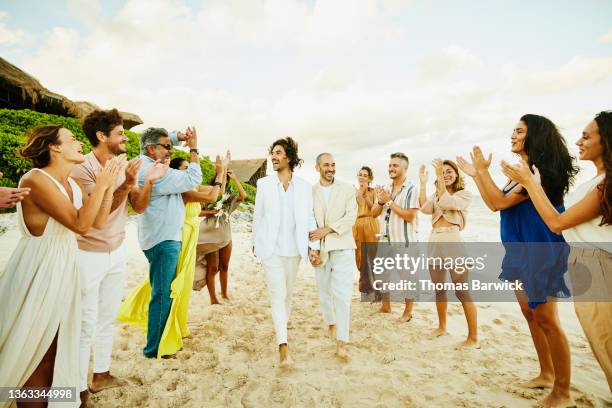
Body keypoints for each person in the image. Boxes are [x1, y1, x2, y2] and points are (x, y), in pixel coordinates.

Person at [457, 114, 578, 407]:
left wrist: (481, 174)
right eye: (513, 129)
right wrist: (478, 174)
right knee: (530, 313)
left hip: (540, 248)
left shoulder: (538, 171)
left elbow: (498, 202)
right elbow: (493, 202)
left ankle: (563, 391)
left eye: (519, 131)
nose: (512, 135)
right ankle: (546, 374)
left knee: (548, 318)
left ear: (534, 136)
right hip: (518, 249)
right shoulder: (517, 172)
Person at [0, 125, 120, 408]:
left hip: (64, 268)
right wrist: (101, 186)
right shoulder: (36, 179)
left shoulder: (73, 185)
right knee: (36, 352)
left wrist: (110, 187)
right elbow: (79, 223)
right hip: (40, 270)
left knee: (55, 350)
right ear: (54, 147)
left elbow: (96, 223)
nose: (79, 143)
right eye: (72, 139)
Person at [501, 110, 612, 393]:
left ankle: (561, 391)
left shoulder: (605, 185)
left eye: (586, 136)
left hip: (596, 263)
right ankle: (549, 377)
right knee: (600, 345)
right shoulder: (596, 183)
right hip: (581, 260)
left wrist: (529, 183)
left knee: (605, 345)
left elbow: (556, 222)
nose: (579, 141)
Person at [70, 109, 170, 405]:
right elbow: (97, 215)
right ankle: (78, 388)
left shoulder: (124, 163)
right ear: (101, 137)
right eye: (120, 133)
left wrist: (148, 180)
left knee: (107, 318)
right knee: (86, 322)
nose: (126, 138)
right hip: (88, 252)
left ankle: (100, 375)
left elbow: (137, 207)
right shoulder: (83, 170)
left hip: (117, 251)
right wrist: (125, 184)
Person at [131, 126, 202, 359]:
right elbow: (194, 178)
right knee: (162, 294)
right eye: (167, 147)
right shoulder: (155, 170)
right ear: (151, 149)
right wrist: (193, 147)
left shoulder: (145, 161)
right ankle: (155, 348)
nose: (171, 151)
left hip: (157, 236)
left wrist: (175, 138)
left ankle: (159, 341)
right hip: (164, 239)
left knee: (161, 291)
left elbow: (153, 141)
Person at [252, 137, 319, 367]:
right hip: (271, 251)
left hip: (295, 250)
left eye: (278, 153)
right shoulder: (264, 185)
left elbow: (310, 217)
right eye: (272, 153)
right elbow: (257, 217)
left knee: (287, 296)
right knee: (277, 295)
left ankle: (282, 330)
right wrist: (256, 244)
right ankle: (283, 346)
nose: (274, 157)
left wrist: (314, 247)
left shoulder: (304, 187)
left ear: (289, 157)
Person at [418, 159, 478, 347]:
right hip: (434, 239)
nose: (445, 174)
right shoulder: (436, 194)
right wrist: (422, 183)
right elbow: (424, 208)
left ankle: (473, 337)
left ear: (457, 174)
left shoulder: (464, 194)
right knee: (439, 289)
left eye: (449, 171)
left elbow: (447, 202)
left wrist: (438, 181)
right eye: (442, 171)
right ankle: (442, 327)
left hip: (453, 240)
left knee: (461, 290)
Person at [309, 153, 357, 359]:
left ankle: (342, 341)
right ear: (317, 167)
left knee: (342, 295)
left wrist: (327, 230)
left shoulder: (347, 189)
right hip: (320, 248)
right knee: (323, 293)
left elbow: (350, 217)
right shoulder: (310, 192)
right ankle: (331, 322)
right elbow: (309, 220)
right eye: (326, 165)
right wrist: (311, 248)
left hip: (343, 246)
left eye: (333, 165)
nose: (330, 168)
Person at [371, 152, 420, 321]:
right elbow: (373, 213)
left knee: (406, 277)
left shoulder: (412, 189)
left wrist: (390, 202)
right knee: (381, 274)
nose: (391, 168)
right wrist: (380, 201)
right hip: (385, 239)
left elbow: (410, 216)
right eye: (390, 165)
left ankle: (408, 311)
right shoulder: (386, 188)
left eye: (395, 165)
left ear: (405, 168)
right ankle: (386, 306)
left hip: (403, 241)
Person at [194, 166, 247, 304]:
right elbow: (197, 212)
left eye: (227, 180)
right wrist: (211, 212)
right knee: (212, 268)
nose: (225, 182)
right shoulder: (209, 195)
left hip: (225, 235)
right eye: (224, 179)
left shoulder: (228, 198)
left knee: (224, 266)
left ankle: (224, 294)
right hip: (210, 236)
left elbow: (243, 196)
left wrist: (235, 178)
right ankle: (213, 299)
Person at [352, 166, 379, 295]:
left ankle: (377, 287)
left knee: (373, 255)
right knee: (359, 255)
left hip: (370, 221)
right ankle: (365, 286)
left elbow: (375, 209)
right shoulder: (353, 192)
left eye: (365, 175)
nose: (362, 177)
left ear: (369, 178)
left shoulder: (373, 191)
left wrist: (365, 196)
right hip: (357, 224)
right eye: (360, 174)